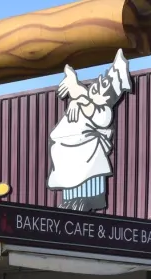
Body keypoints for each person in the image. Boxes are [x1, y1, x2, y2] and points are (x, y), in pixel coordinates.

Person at [47, 49, 132, 212]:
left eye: (102, 86)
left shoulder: (104, 110)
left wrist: (79, 95)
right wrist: (76, 97)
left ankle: (86, 200)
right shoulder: (80, 102)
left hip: (88, 151)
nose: (96, 87)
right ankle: (71, 201)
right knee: (70, 176)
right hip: (67, 151)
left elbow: (98, 115)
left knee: (86, 178)